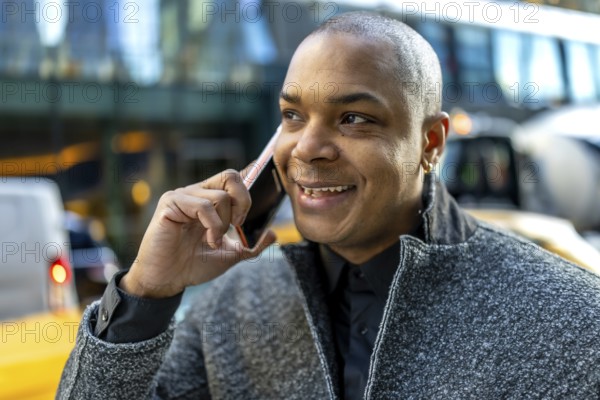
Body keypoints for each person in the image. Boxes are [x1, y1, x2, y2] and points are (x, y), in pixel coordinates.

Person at [58, 12, 600, 399]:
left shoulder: (572, 322)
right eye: (293, 115)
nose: (306, 148)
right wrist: (146, 295)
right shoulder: (233, 307)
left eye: (353, 119)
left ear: (430, 143)